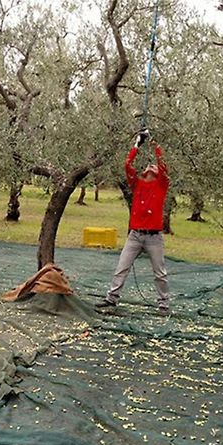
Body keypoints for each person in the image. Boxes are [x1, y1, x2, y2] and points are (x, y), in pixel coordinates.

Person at [97, 130, 170, 315]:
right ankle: (111, 299)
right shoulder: (137, 184)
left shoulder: (161, 185)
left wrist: (155, 145)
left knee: (159, 272)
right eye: (148, 166)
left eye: (152, 166)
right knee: (122, 266)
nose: (150, 167)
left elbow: (163, 166)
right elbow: (128, 164)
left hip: (154, 237)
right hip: (135, 235)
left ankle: (164, 305)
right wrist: (137, 144)